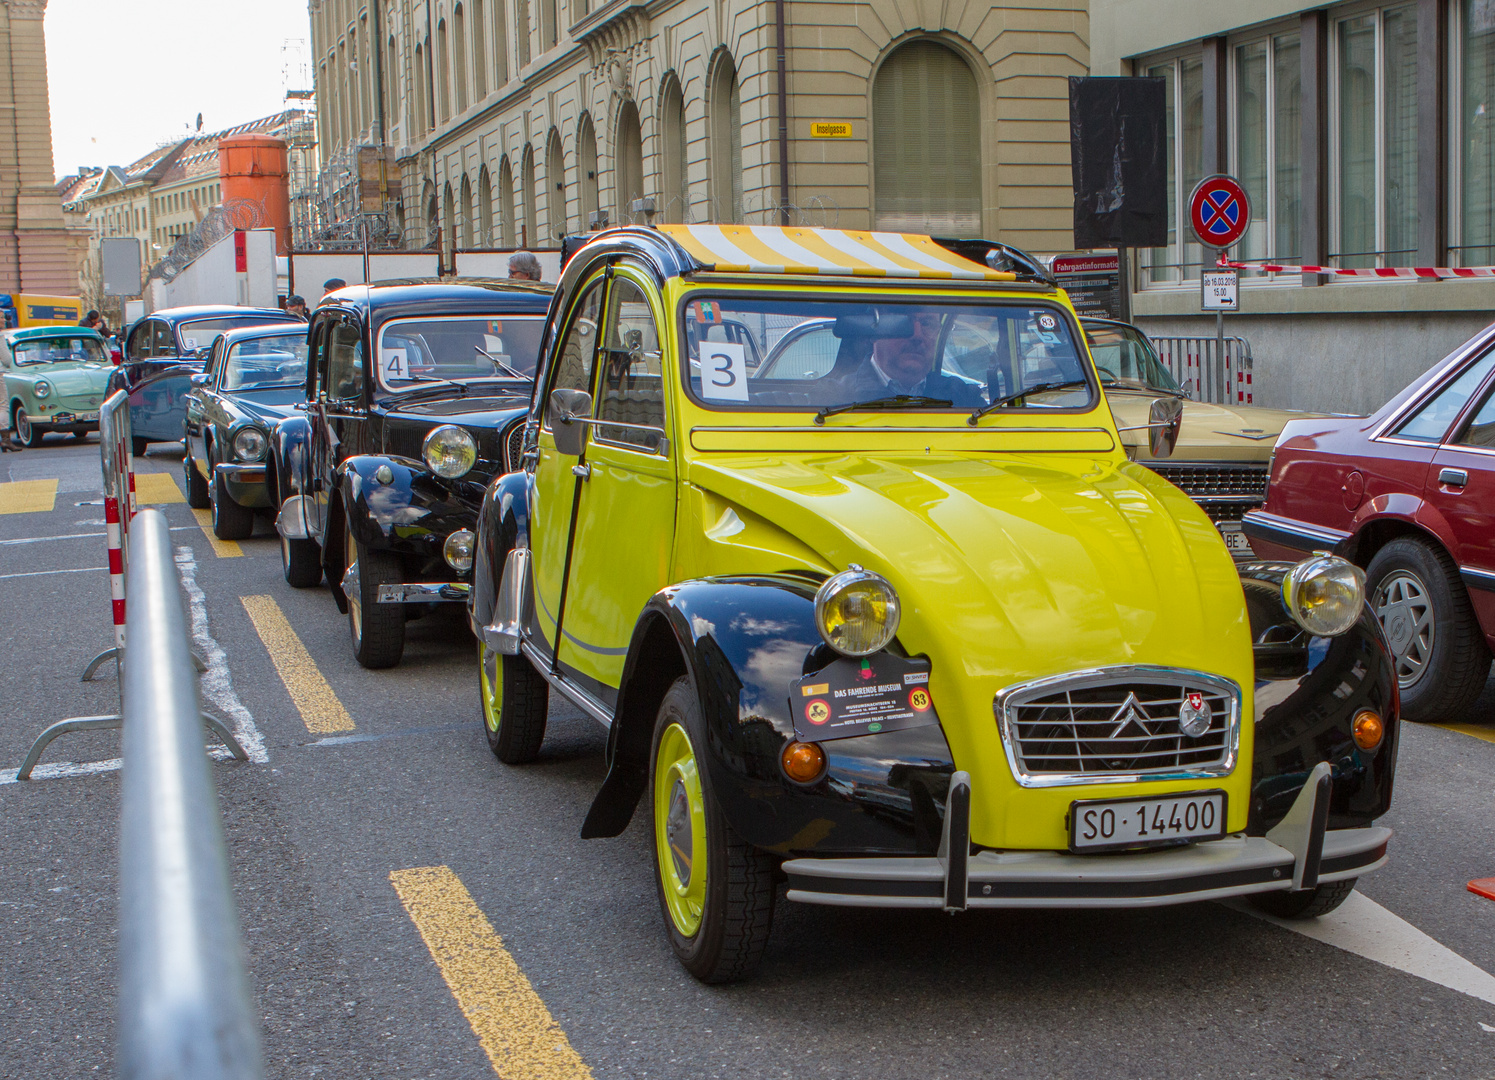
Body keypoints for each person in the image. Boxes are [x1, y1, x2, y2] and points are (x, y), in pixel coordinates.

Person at [828, 309, 984, 408]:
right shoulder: (831, 400)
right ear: (874, 333)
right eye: (904, 323)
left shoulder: (963, 398)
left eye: (927, 324)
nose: (917, 335)